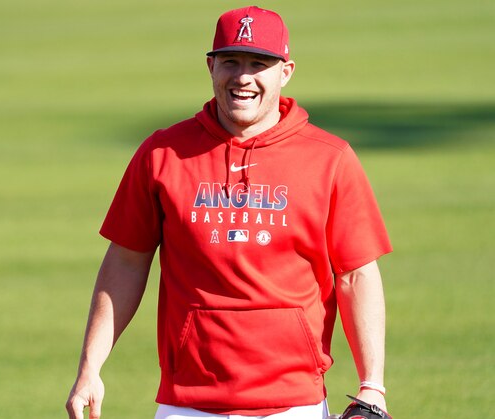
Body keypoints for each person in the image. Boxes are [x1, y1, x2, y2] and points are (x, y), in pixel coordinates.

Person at [66, 6, 392, 419]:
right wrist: (90, 368)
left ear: (285, 71)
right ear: (210, 66)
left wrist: (372, 387)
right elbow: (127, 261)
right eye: (230, 62)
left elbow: (357, 274)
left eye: (259, 64)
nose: (243, 77)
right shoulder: (162, 153)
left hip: (294, 404)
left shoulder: (330, 159)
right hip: (187, 404)